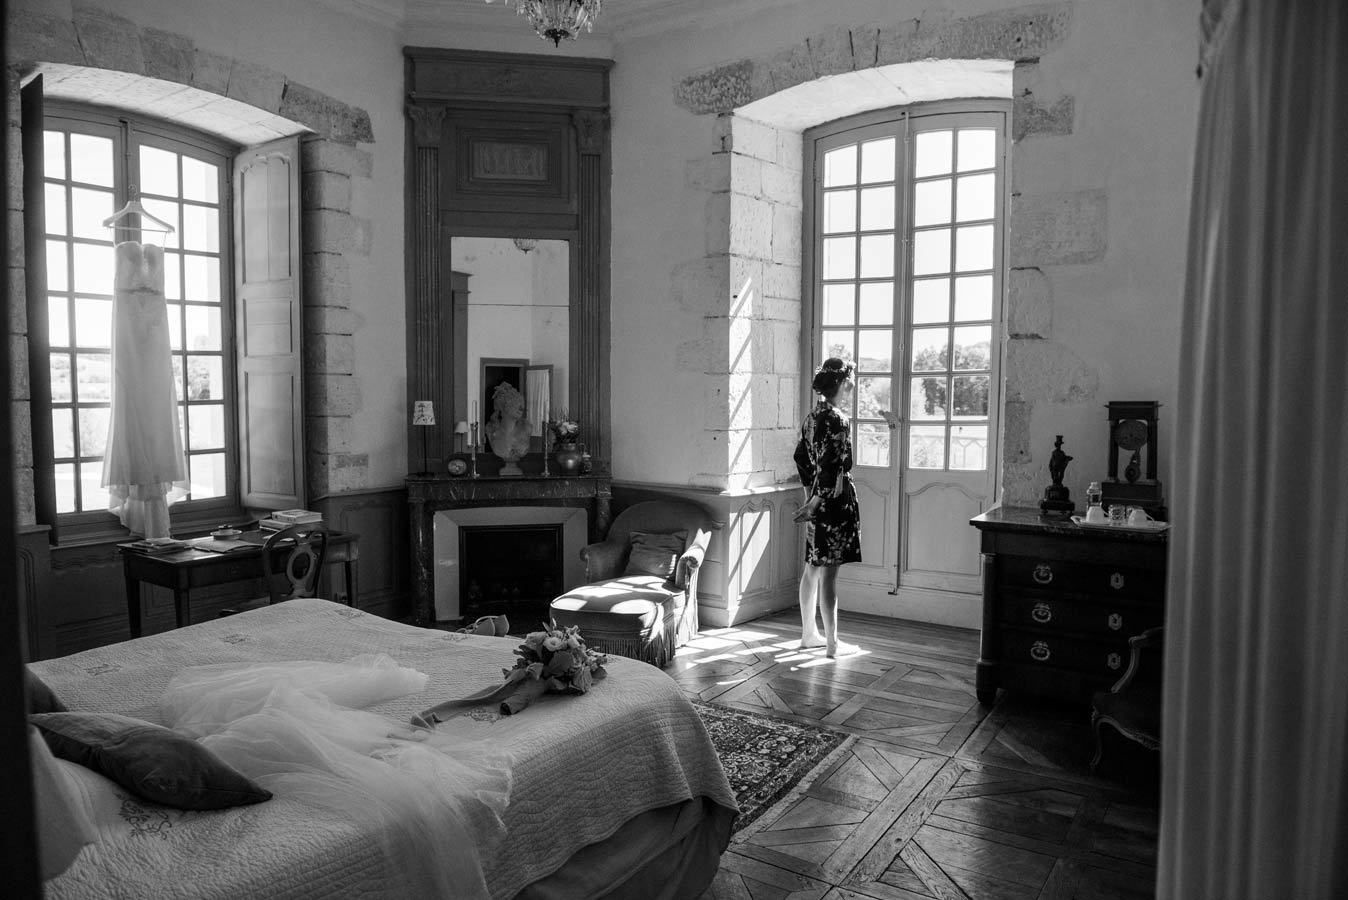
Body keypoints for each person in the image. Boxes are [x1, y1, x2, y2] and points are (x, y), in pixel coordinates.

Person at [792, 358, 862, 657]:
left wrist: (809, 498)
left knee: (812, 568)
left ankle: (809, 634)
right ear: (843, 383)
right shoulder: (837, 419)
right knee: (829, 574)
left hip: (817, 501)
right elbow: (832, 468)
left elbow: (801, 458)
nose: (853, 385)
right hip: (833, 503)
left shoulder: (812, 418)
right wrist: (817, 501)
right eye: (851, 380)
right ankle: (832, 644)